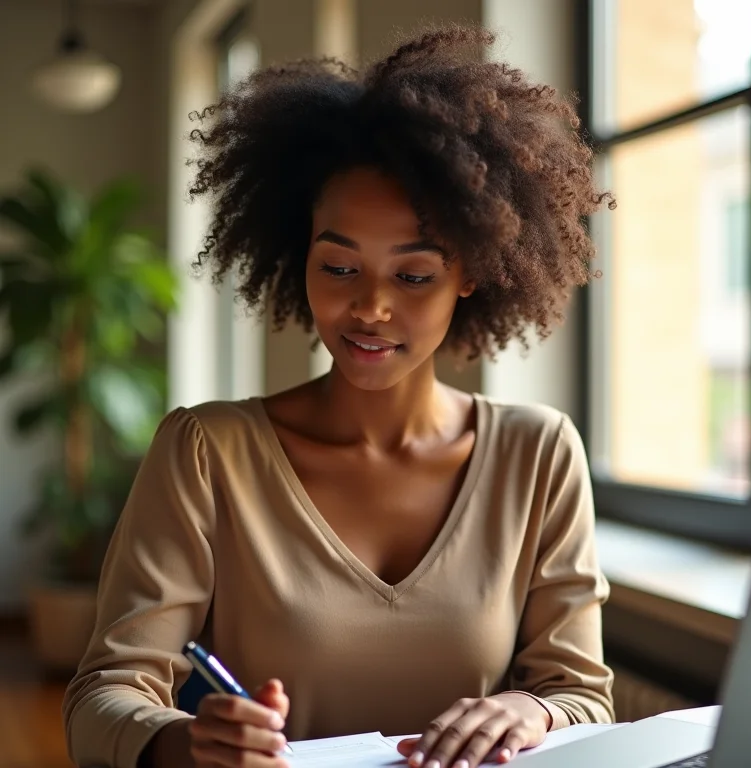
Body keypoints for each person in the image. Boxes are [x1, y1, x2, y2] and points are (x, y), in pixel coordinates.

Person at [62, 23, 617, 768]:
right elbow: (103, 696)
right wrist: (185, 742)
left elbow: (582, 697)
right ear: (302, 258)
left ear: (472, 272)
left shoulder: (538, 453)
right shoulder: (208, 452)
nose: (371, 308)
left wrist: (530, 709)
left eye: (413, 275)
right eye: (339, 267)